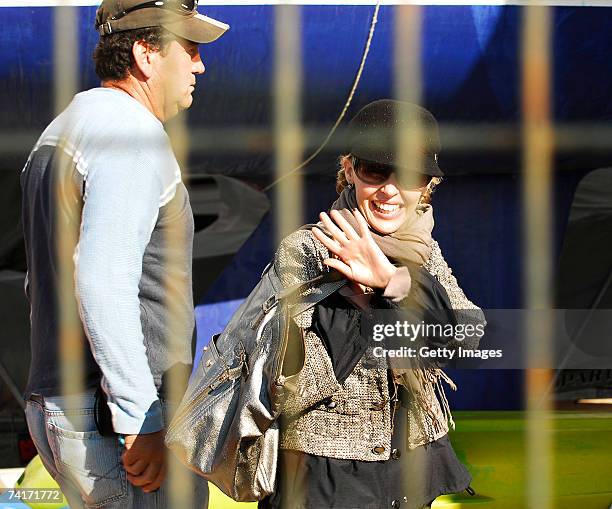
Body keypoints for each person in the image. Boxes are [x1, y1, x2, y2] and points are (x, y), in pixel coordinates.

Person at [20, 1, 228, 508]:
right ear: (146, 53)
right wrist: (142, 420)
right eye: (190, 47)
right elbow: (101, 279)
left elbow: (39, 284)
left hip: (66, 404)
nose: (200, 64)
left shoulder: (64, 130)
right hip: (114, 422)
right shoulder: (130, 134)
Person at [260, 100, 486, 508]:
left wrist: (389, 282)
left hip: (409, 465)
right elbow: (288, 389)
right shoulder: (308, 250)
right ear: (349, 170)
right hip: (324, 474)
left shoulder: (423, 251)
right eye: (376, 171)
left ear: (427, 186)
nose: (390, 190)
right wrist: (355, 302)